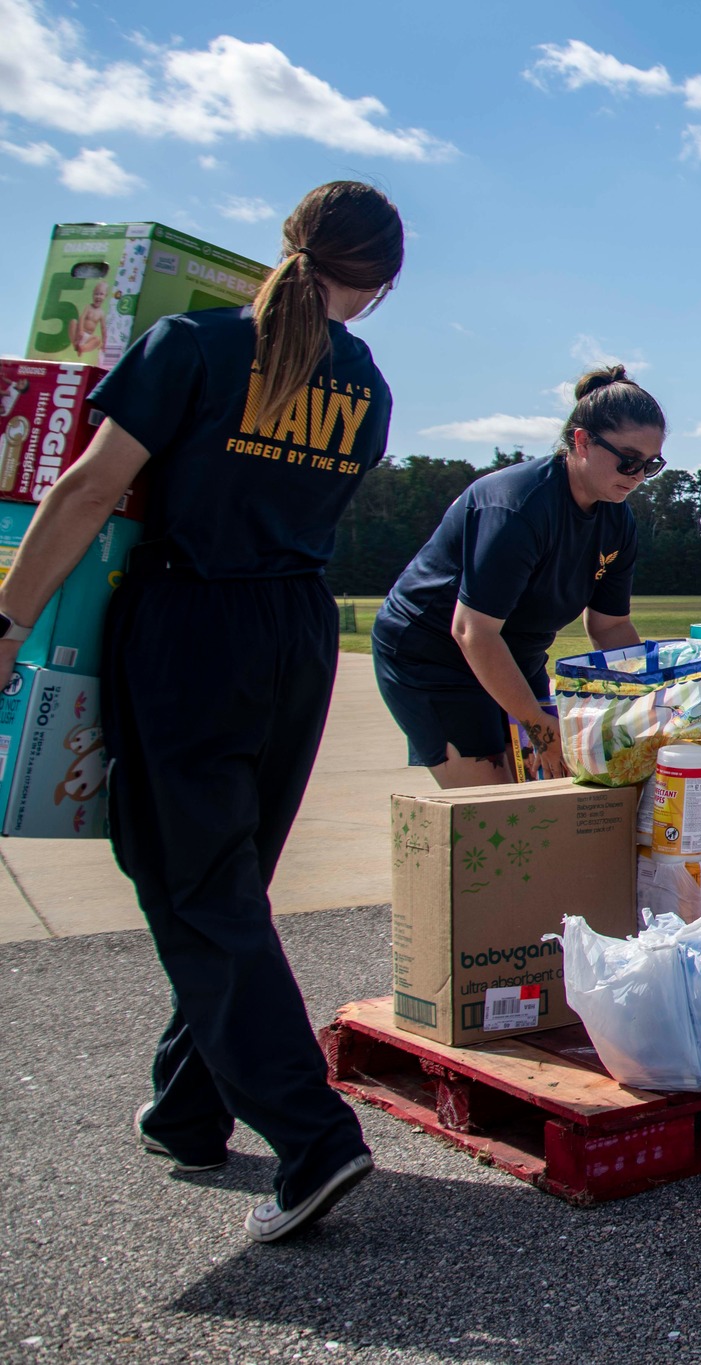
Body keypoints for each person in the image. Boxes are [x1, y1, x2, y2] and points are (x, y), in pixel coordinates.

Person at [0, 182, 403, 1242]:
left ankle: (312, 1137)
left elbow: (88, 491)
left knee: (193, 883)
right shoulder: (364, 382)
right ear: (382, 285)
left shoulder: (194, 342)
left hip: (191, 622)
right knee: (226, 878)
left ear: (289, 245)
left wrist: (7, 620)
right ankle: (188, 1109)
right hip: (296, 631)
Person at [372, 368, 658, 785]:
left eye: (651, 465)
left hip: (517, 656)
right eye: (629, 460)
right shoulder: (517, 509)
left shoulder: (618, 519)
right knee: (499, 807)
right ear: (581, 441)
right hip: (435, 656)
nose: (637, 476)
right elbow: (472, 631)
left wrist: (650, 701)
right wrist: (541, 732)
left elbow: (610, 625)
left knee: (551, 789)